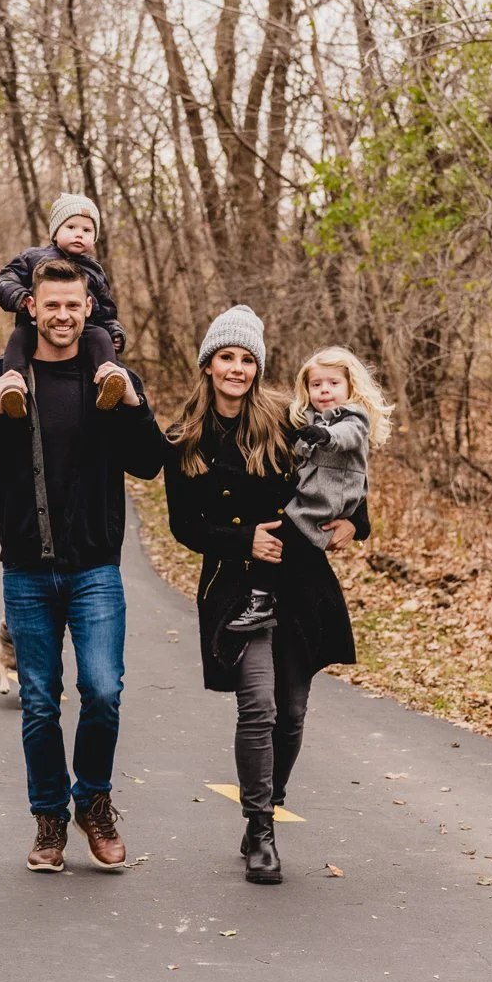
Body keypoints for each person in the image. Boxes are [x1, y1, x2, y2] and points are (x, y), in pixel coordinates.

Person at [0, 256, 167, 874]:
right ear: (33, 308)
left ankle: (92, 798)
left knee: (102, 691)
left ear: (87, 308)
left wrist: (129, 405)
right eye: (53, 305)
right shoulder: (2, 376)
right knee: (41, 702)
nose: (64, 315)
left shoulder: (112, 378)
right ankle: (49, 819)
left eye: (74, 305)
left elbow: (151, 463)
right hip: (27, 570)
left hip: (96, 568)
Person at [163, 306, 367, 887]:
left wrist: (359, 522)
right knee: (259, 707)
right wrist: (243, 539)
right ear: (208, 365)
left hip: (300, 579)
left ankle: (268, 805)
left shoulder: (287, 418)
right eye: (227, 357)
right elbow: (183, 526)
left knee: (293, 714)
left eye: (247, 359)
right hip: (233, 586)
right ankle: (261, 830)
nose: (237, 369)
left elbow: (342, 462)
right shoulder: (183, 438)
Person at [222, 345, 394, 638]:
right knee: (285, 543)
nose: (324, 391)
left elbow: (347, 434)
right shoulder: (310, 417)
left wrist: (325, 435)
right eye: (316, 385)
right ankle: (267, 599)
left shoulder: (352, 417)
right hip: (314, 496)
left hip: (326, 500)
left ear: (351, 386)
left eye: (333, 383)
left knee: (277, 538)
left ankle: (262, 602)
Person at [0, 194, 126, 419]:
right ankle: (12, 388)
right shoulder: (34, 258)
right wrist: (21, 298)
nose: (79, 234)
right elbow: (3, 282)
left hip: (84, 328)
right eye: (71, 227)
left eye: (87, 230)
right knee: (18, 340)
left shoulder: (95, 270)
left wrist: (114, 330)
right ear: (55, 231)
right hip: (35, 324)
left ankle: (109, 382)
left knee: (102, 337)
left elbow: (106, 308)